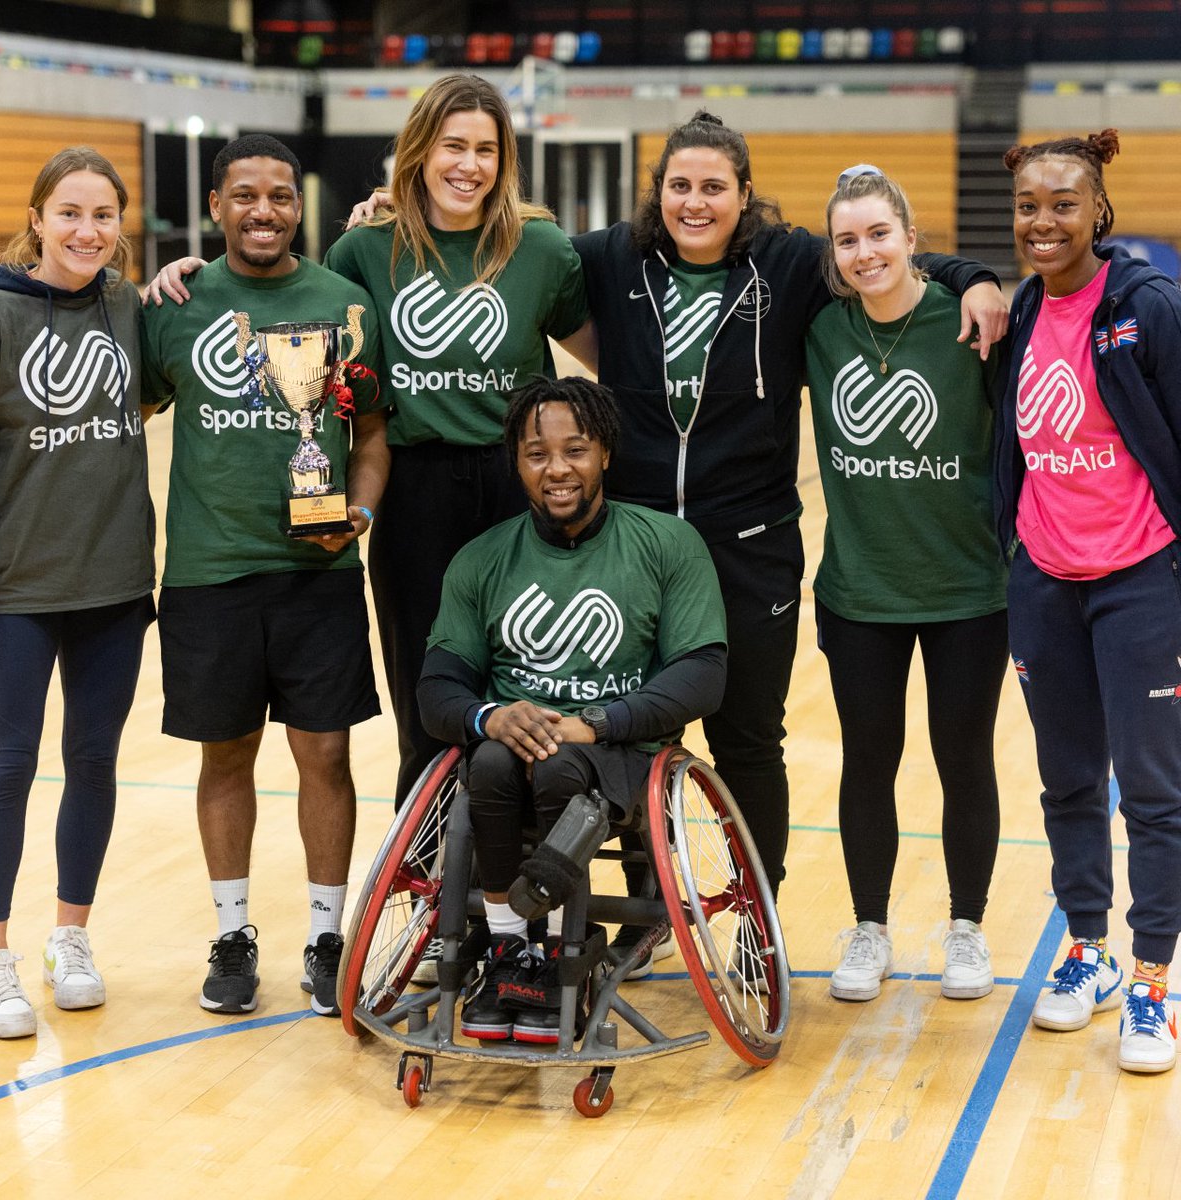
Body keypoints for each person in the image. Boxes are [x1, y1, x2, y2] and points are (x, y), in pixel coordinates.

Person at [569, 112, 1007, 925]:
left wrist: (975, 273)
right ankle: (646, 907)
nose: (695, 203)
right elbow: (518, 250)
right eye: (679, 186)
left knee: (748, 740)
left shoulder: (793, 262)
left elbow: (888, 256)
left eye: (714, 187)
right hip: (634, 547)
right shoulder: (609, 258)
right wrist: (394, 210)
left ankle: (751, 918)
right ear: (656, 192)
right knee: (626, 732)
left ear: (745, 196)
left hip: (751, 545)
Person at [146, 74, 594, 819]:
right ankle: (428, 892)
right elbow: (289, 295)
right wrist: (189, 271)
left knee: (534, 684)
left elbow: (607, 360)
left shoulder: (542, 248)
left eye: (486, 149)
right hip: (417, 488)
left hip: (518, 489)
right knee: (430, 695)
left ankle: (527, 887)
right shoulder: (363, 250)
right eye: (453, 145)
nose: (469, 164)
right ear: (419, 150)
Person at [140, 133, 387, 1019]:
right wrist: (142, 288)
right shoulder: (176, 303)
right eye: (245, 196)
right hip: (210, 571)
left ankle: (328, 939)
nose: (264, 211)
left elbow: (370, 438)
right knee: (227, 754)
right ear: (216, 208)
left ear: (298, 207)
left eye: (281, 196)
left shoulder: (346, 304)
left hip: (317, 571)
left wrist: (355, 515)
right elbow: (130, 402)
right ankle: (234, 934)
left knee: (326, 753)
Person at [416, 376, 727, 1041]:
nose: (557, 469)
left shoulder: (668, 545)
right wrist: (488, 716)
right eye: (536, 454)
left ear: (605, 453)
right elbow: (437, 690)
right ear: (517, 463)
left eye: (575, 450)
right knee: (494, 762)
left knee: (560, 770)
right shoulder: (482, 559)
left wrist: (599, 722)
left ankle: (562, 950)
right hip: (514, 755)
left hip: (620, 752)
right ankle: (509, 951)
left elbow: (702, 676)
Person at [997, 129, 1181, 1074]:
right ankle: (1088, 950)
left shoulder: (1147, 306)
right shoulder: (1021, 310)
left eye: (1063, 203)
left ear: (1097, 209)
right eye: (1029, 205)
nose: (1044, 221)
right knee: (1068, 779)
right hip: (1044, 580)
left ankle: (1152, 979)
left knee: (1152, 791)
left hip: (1140, 578)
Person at [804, 166, 1008, 1003]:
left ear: (912, 239)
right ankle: (870, 928)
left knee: (964, 761)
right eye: (847, 240)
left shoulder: (973, 324)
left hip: (969, 589)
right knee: (868, 760)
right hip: (861, 592)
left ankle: (966, 926)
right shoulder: (817, 331)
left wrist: (979, 278)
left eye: (879, 234)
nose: (864, 253)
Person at [0, 147, 155, 1039]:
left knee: (92, 762)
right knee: (5, 768)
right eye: (71, 214)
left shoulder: (127, 306)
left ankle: (70, 940)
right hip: (17, 585)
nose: (88, 231)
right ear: (40, 218)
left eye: (103, 216)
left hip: (115, 581)